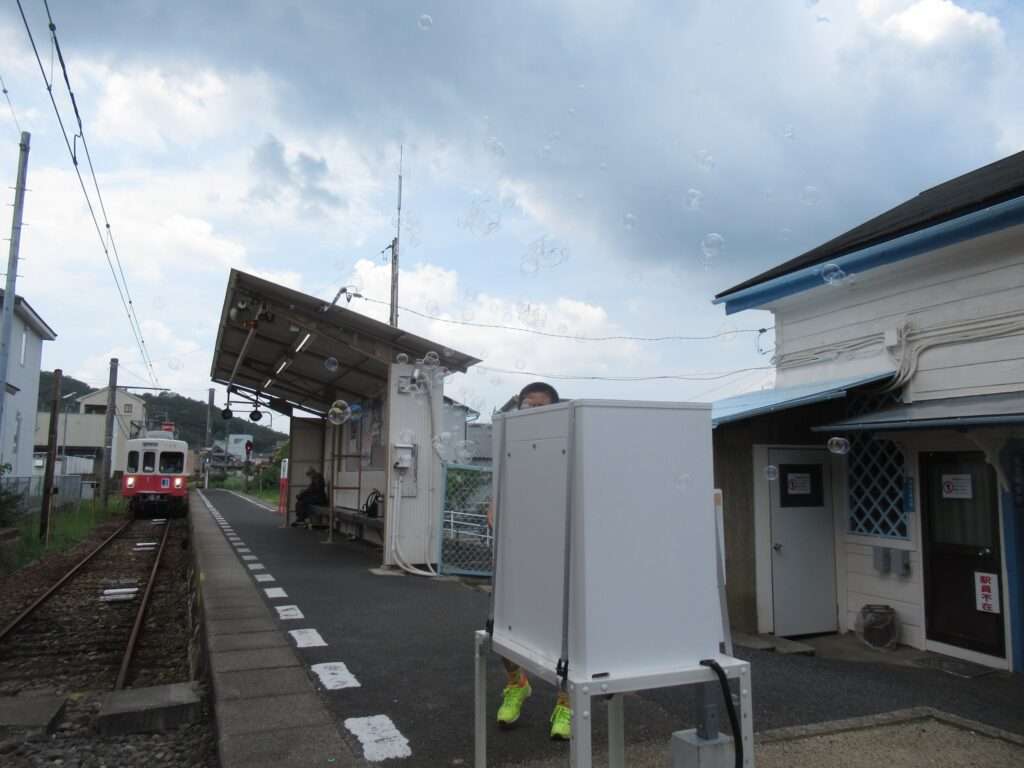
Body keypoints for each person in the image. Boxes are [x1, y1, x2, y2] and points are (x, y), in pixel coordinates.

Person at [489, 381, 572, 740]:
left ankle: (566, 705)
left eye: (542, 407)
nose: (533, 412)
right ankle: (516, 683)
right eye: (527, 406)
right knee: (501, 628)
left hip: (562, 562)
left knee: (569, 640)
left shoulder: (572, 446)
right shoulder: (510, 447)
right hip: (519, 559)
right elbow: (496, 504)